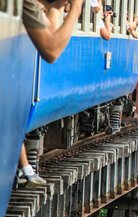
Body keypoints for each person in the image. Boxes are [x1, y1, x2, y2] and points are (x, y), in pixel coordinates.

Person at [19, 0, 83, 187]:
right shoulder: (27, 4)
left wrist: (56, 8)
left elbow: (51, 33)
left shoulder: (35, 7)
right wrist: (76, 8)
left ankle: (26, 170)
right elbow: (52, 50)